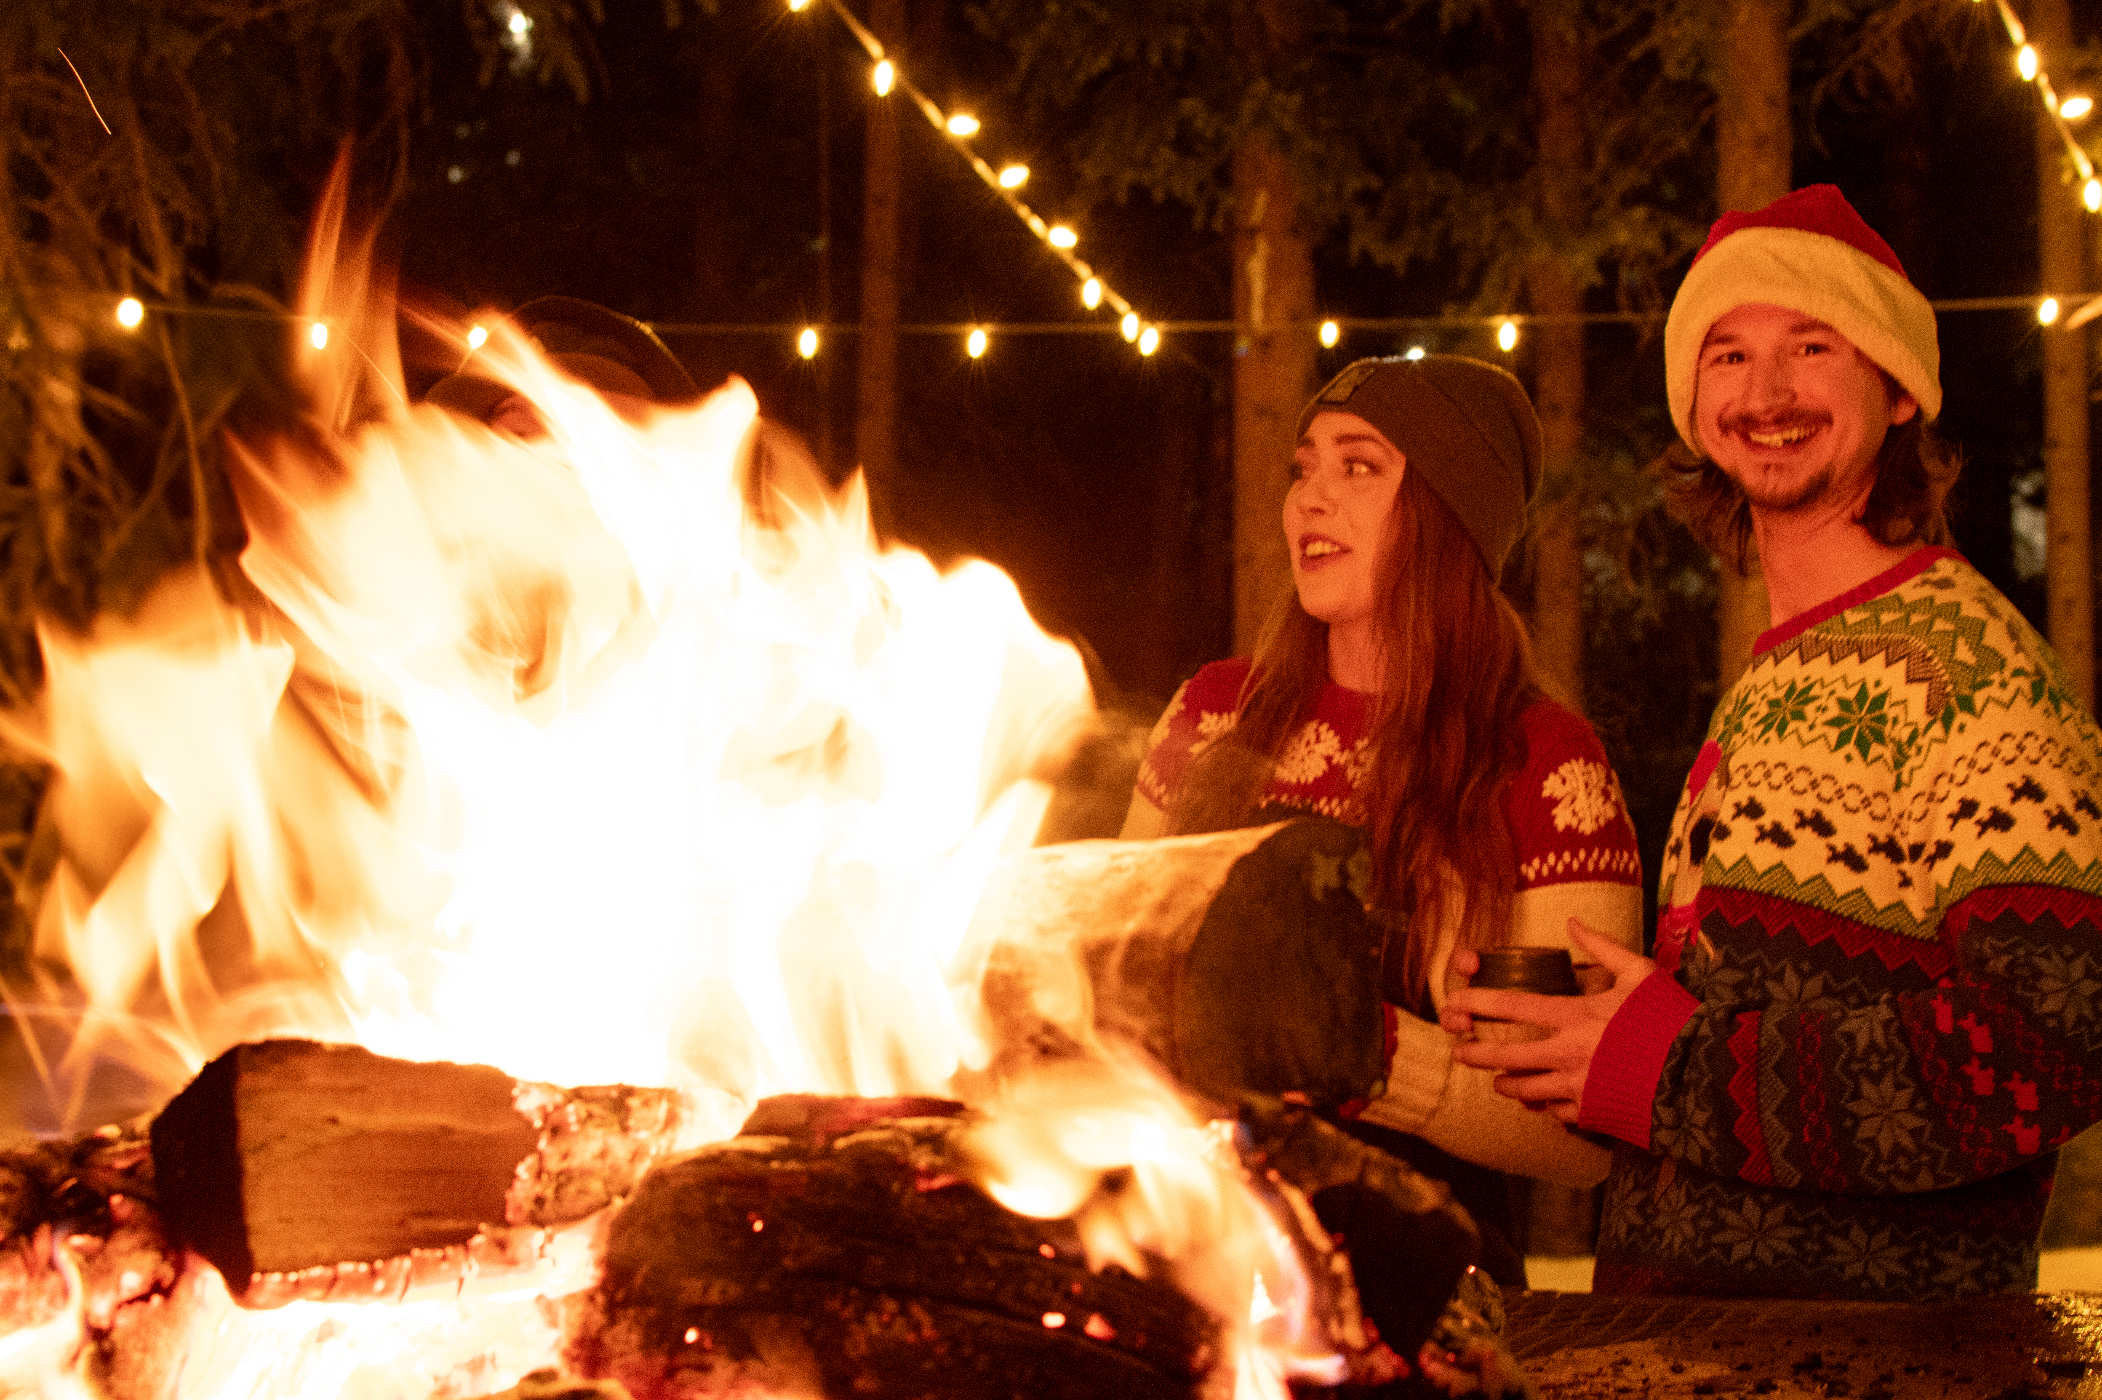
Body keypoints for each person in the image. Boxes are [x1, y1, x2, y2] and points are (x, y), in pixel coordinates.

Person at [1445, 183, 2102, 1300]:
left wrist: (1671, 1067)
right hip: (1694, 1349)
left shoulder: (1964, 671)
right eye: (1726, 354)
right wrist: (1583, 1037)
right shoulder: (1774, 675)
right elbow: (1745, 1016)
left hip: (1880, 1366)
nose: (1766, 391)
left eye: (1809, 344)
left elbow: (2054, 1039)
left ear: (1896, 388)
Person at [1123, 354, 1645, 1287]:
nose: (1308, 500)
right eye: (1303, 467)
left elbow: (1581, 1141)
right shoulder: (1213, 713)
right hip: (1192, 1270)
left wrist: (1370, 1052)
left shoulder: (1545, 765)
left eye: (1358, 467)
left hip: (1421, 1301)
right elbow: (1110, 981)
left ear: (1450, 517)